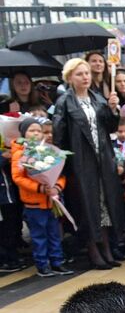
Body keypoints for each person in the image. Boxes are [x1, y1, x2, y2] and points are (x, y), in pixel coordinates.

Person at [52, 58, 125, 270]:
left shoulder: (98, 99)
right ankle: (93, 250)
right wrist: (63, 164)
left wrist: (113, 110)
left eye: (86, 73)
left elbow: (110, 127)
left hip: (102, 159)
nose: (85, 77)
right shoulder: (64, 102)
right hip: (81, 161)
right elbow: (59, 135)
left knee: (104, 204)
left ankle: (107, 249)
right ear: (70, 78)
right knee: (87, 206)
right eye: (79, 74)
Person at [11, 116, 72, 277]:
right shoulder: (20, 154)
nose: (36, 134)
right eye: (32, 130)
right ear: (24, 133)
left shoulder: (49, 151)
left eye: (38, 131)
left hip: (52, 201)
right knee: (39, 236)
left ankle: (57, 262)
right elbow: (18, 178)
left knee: (54, 234)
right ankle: (42, 264)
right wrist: (40, 187)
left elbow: (59, 173)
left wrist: (57, 187)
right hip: (34, 203)